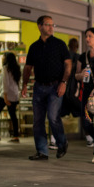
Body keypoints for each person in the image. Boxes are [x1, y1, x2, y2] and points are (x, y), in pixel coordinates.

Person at [22, 15, 71, 160]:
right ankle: (42, 151)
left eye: (52, 25)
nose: (51, 27)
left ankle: (62, 142)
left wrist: (64, 82)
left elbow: (68, 65)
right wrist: (24, 85)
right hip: (38, 87)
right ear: (40, 26)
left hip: (55, 86)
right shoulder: (34, 47)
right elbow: (28, 67)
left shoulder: (60, 44)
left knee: (53, 117)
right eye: (48, 25)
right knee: (38, 120)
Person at [75, 27, 94, 164]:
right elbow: (76, 75)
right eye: (86, 36)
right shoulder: (83, 56)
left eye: (90, 36)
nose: (87, 39)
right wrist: (81, 75)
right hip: (87, 94)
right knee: (86, 123)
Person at [0, 52, 21, 142]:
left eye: (3, 57)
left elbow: (5, 83)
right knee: (13, 115)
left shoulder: (5, 68)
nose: (2, 58)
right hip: (15, 95)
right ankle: (15, 136)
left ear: (6, 59)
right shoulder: (17, 68)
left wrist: (5, 97)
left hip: (6, 95)